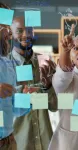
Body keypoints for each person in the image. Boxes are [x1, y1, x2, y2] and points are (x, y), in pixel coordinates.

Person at [8, 16, 57, 150]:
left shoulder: (46, 62)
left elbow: (55, 106)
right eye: (19, 31)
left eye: (30, 30)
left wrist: (48, 87)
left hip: (46, 143)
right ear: (10, 33)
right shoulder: (4, 66)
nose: (26, 35)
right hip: (17, 144)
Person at [0, 2, 30, 150]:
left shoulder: (7, 63)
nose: (9, 33)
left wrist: (25, 97)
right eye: (4, 26)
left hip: (8, 141)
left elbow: (14, 109)